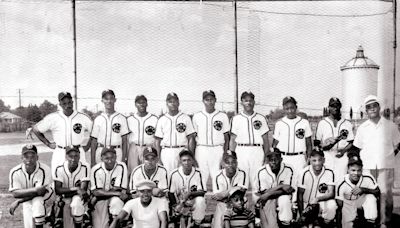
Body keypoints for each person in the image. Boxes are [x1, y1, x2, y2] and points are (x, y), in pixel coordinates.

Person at [353, 95, 400, 228]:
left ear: (379, 107)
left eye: (374, 106)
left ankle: (384, 222)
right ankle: (370, 220)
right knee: (368, 194)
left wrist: (390, 155)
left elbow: (398, 144)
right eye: (368, 107)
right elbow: (357, 147)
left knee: (385, 194)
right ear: (366, 111)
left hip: (385, 166)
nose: (372, 109)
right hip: (368, 167)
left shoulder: (390, 126)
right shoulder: (362, 128)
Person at [31, 91, 92, 175]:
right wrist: (48, 143)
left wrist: (88, 146)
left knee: (80, 179)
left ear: (72, 102)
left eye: (69, 102)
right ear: (60, 104)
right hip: (60, 152)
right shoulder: (53, 117)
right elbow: (36, 129)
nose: (67, 105)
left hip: (77, 152)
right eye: (64, 103)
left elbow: (94, 132)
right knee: (58, 180)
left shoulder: (83, 117)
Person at [229, 91, 270, 190]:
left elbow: (265, 139)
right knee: (240, 181)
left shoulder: (261, 118)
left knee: (258, 182)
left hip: (257, 150)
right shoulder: (236, 118)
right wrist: (232, 156)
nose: (248, 103)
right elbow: (233, 139)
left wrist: (266, 156)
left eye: (250, 100)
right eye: (246, 100)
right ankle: (240, 205)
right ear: (242, 102)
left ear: (254, 102)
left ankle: (258, 205)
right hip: (241, 151)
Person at [8, 144, 53, 228]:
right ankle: (48, 219)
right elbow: (15, 193)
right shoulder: (15, 171)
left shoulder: (45, 169)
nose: (29, 159)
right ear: (22, 158)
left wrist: (19, 201)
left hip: (47, 197)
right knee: (29, 225)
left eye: (32, 156)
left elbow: (41, 192)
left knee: (37, 203)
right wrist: (35, 190)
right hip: (27, 199)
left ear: (37, 157)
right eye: (26, 156)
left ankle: (51, 215)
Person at [192, 90, 230, 184]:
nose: (209, 102)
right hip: (201, 149)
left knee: (219, 178)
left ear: (215, 100)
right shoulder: (197, 116)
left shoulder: (222, 116)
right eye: (207, 99)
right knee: (200, 178)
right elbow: (193, 138)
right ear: (203, 101)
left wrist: (225, 153)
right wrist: (192, 155)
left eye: (211, 99)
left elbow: (226, 137)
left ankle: (220, 196)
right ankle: (200, 198)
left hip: (217, 149)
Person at [315, 97, 354, 182]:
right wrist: (325, 144)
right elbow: (317, 143)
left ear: (340, 107)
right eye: (332, 106)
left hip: (342, 155)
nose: (335, 108)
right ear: (329, 107)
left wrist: (343, 151)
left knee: (341, 180)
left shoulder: (347, 123)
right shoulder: (322, 123)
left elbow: (351, 142)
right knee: (327, 181)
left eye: (337, 105)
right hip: (327, 155)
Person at [154, 92, 196, 173]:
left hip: (182, 150)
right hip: (167, 151)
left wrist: (191, 155)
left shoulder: (185, 118)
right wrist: (158, 158)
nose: (173, 103)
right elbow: (157, 141)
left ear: (178, 103)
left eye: (175, 101)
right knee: (168, 177)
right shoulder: (162, 119)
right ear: (166, 104)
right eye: (170, 101)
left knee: (183, 177)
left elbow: (191, 138)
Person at [272, 96, 312, 179]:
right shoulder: (279, 123)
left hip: (299, 158)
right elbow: (274, 144)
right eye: (287, 108)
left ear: (296, 108)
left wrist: (309, 159)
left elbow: (309, 144)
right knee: (284, 184)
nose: (290, 111)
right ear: (284, 109)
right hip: (284, 157)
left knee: (300, 183)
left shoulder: (304, 122)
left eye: (292, 108)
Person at [90, 146, 129, 228]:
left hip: (110, 198)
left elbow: (119, 188)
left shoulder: (121, 166)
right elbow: (96, 192)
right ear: (101, 158)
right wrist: (117, 193)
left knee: (116, 203)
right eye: (106, 158)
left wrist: (99, 195)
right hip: (101, 200)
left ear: (116, 157)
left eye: (112, 157)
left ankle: (116, 224)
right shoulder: (95, 169)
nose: (110, 160)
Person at [254, 150, 295, 228]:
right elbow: (263, 193)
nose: (273, 162)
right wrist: (281, 186)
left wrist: (269, 193)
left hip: (278, 197)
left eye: (275, 159)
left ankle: (286, 224)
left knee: (285, 200)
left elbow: (289, 189)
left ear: (281, 159)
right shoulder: (261, 171)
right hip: (267, 200)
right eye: (270, 160)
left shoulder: (288, 168)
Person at [297, 149, 337, 227]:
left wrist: (317, 199)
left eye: (320, 160)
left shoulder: (330, 172)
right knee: (305, 226)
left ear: (324, 160)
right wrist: (302, 213)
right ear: (310, 161)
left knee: (332, 205)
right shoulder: (304, 172)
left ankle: (326, 222)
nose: (317, 163)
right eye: (314, 160)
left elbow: (331, 193)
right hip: (307, 204)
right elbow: (300, 195)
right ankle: (309, 220)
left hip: (321, 202)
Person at [336, 157, 379, 228]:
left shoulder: (367, 177)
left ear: (362, 170)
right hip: (348, 204)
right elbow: (339, 207)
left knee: (371, 198)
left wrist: (364, 190)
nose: (356, 173)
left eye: (359, 170)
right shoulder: (341, 182)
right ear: (348, 170)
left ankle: (371, 222)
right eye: (353, 170)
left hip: (361, 202)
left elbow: (377, 192)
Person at [90, 89, 130, 166]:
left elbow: (125, 141)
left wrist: (124, 159)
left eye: (111, 98)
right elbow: (94, 141)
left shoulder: (122, 118)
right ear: (102, 100)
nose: (109, 101)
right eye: (106, 99)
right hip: (101, 150)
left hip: (117, 151)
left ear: (115, 100)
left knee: (117, 176)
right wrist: (92, 160)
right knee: (100, 176)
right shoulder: (98, 119)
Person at [54, 146, 90, 228]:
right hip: (65, 197)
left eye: (76, 156)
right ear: (66, 157)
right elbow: (58, 190)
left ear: (80, 156)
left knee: (76, 203)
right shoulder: (59, 168)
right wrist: (76, 189)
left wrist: (66, 192)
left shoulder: (85, 167)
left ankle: (80, 224)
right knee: (66, 205)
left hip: (75, 197)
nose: (73, 159)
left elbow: (83, 190)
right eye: (70, 156)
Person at [169, 150, 207, 228]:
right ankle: (174, 220)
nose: (186, 162)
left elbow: (202, 192)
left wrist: (189, 194)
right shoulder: (173, 173)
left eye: (189, 160)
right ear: (180, 162)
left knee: (201, 200)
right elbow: (171, 193)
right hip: (179, 201)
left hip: (193, 201)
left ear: (192, 160)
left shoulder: (199, 173)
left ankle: (197, 223)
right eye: (184, 160)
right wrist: (176, 206)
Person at [211, 151, 248, 228]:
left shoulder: (243, 173)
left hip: (239, 203)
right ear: (223, 164)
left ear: (237, 163)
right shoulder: (217, 175)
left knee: (244, 200)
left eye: (233, 162)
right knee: (218, 225)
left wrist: (225, 193)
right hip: (223, 204)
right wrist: (235, 188)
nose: (230, 165)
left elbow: (242, 192)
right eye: (227, 162)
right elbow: (218, 197)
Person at [126, 94, 158, 173]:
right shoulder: (129, 119)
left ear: (147, 104)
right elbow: (126, 138)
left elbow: (157, 138)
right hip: (134, 148)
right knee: (133, 172)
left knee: (149, 171)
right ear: (135, 104)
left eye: (143, 102)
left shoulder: (154, 118)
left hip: (149, 147)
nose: (141, 104)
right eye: (139, 102)